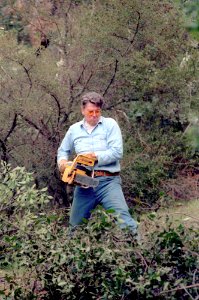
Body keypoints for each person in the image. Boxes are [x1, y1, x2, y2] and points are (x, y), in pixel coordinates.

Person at [57, 92, 138, 236]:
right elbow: (63, 150)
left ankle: (142, 255)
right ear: (83, 111)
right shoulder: (74, 130)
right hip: (83, 183)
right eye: (90, 111)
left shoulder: (110, 124)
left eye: (97, 111)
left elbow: (117, 152)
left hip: (108, 181)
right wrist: (63, 163)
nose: (94, 115)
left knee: (125, 222)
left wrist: (95, 157)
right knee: (75, 229)